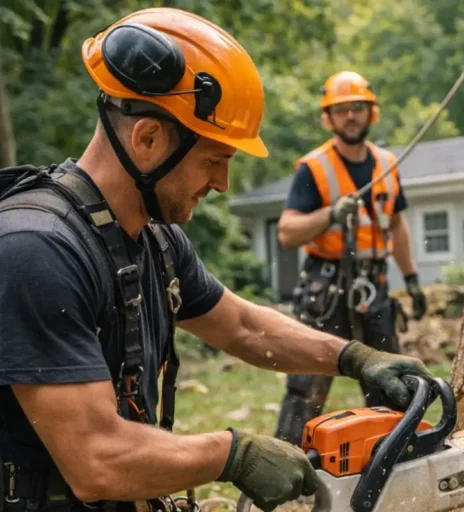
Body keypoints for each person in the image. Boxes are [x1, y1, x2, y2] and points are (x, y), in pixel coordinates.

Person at [0, 9, 431, 512]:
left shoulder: (153, 239)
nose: (222, 185)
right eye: (214, 161)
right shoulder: (38, 249)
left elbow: (243, 327)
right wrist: (233, 454)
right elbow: (97, 460)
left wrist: (354, 359)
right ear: (147, 139)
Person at [273, 70, 428, 446]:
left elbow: (397, 224)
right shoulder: (315, 167)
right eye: (341, 110)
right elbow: (287, 231)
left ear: (371, 113)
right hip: (327, 285)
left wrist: (410, 279)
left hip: (372, 284)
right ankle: (291, 470)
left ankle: (392, 457)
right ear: (328, 118)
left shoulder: (387, 163)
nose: (351, 116)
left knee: (388, 379)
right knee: (307, 383)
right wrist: (329, 215)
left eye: (358, 108)